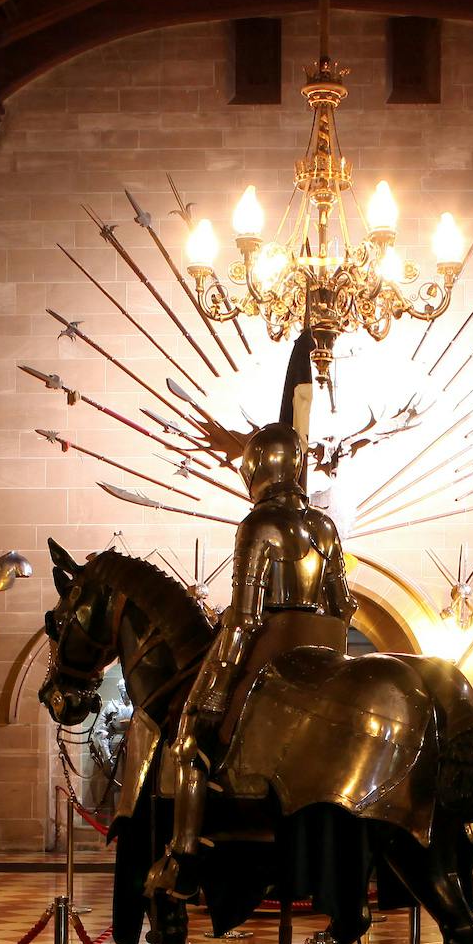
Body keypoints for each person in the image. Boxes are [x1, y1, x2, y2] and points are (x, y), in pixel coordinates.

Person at [148, 353, 353, 898]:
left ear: (257, 470)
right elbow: (343, 607)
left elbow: (244, 618)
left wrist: (212, 689)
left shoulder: (259, 522)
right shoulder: (326, 526)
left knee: (190, 741)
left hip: (270, 656)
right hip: (326, 658)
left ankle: (185, 858)